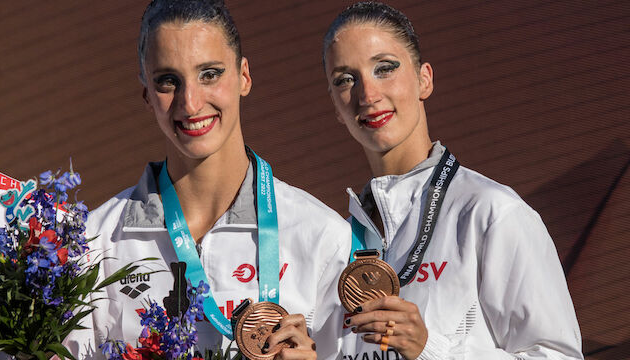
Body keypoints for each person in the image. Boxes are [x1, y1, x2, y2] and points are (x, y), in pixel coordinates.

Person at [65, 1, 350, 359]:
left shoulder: (322, 238)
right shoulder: (96, 243)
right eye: (168, 81)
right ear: (147, 96)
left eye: (210, 74)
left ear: (243, 76)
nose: (190, 102)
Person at [322, 2, 583, 360]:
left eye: (384, 68)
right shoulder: (338, 243)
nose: (368, 95)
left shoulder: (490, 213)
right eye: (345, 80)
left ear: (423, 79)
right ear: (336, 106)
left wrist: (431, 349)